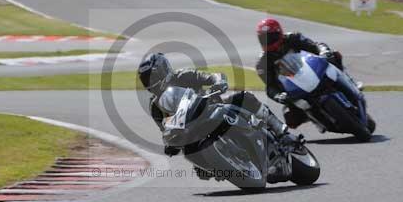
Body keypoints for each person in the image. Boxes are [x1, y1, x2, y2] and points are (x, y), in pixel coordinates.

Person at [138, 53, 287, 157]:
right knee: (194, 159)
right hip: (192, 131)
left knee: (245, 97)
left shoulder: (182, 76)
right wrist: (170, 144)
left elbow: (209, 77)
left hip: (213, 108)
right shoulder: (155, 106)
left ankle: (279, 128)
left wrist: (217, 81)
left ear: (163, 70)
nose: (150, 83)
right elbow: (165, 129)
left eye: (152, 77)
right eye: (146, 80)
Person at [255, 18, 351, 129]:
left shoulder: (292, 38)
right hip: (293, 89)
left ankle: (348, 80)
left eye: (271, 37)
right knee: (290, 120)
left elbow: (314, 45)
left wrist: (323, 51)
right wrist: (279, 96)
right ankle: (313, 117)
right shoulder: (262, 63)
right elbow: (270, 86)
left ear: (279, 33)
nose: (268, 41)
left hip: (312, 70)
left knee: (334, 55)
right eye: (263, 38)